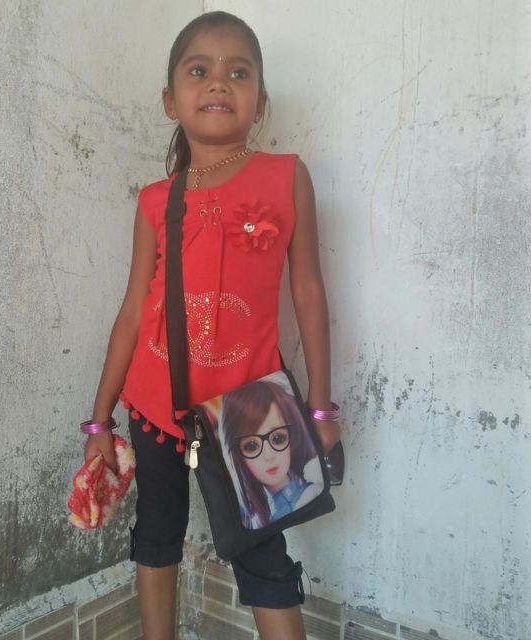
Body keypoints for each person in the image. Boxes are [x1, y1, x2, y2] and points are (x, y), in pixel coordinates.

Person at [82, 10, 340, 640]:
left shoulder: (287, 176)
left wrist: (320, 408)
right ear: (171, 100)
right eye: (199, 71)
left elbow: (308, 291)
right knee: (156, 534)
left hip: (247, 415)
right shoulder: (155, 199)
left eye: (238, 72)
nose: (219, 82)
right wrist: (99, 419)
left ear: (260, 102)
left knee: (263, 554)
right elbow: (132, 309)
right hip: (155, 406)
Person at [218, 375, 324, 529]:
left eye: (278, 438)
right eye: (251, 446)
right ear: (237, 455)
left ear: (292, 435)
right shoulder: (255, 524)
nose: (269, 456)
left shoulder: (315, 489)